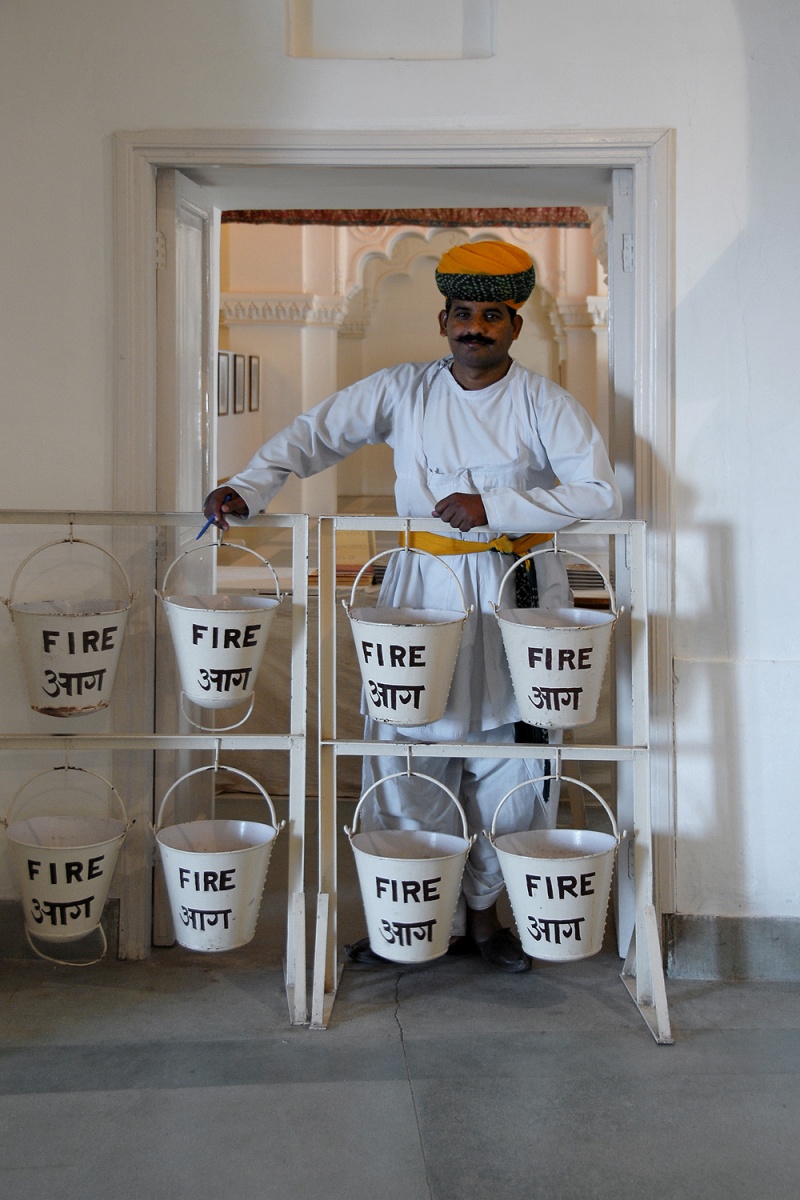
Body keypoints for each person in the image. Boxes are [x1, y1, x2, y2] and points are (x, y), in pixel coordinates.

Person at [204, 240, 622, 973]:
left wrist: (494, 505)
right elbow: (315, 434)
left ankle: (485, 920)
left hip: (514, 594)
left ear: (514, 326)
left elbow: (598, 492)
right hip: (422, 592)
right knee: (407, 754)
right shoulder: (403, 390)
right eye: (463, 314)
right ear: (443, 320)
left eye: (491, 316)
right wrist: (248, 486)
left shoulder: (543, 402)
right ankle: (414, 919)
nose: (474, 328)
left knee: (512, 767)